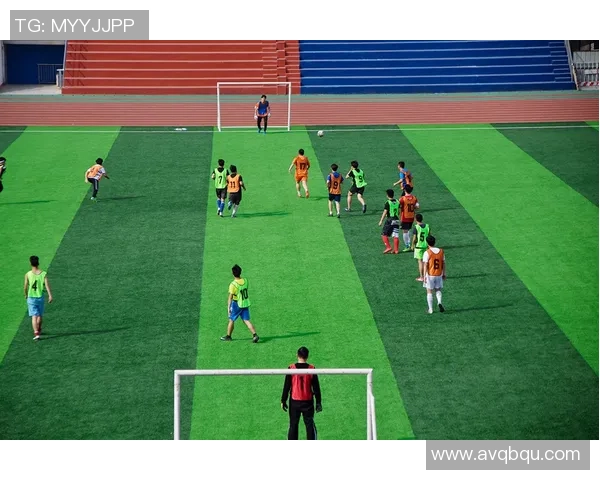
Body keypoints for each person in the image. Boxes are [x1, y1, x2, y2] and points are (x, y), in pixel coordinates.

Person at [281, 346, 322, 440]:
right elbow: (316, 387)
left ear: (297, 355)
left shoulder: (291, 368)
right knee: (310, 425)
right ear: (307, 356)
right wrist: (318, 402)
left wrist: (283, 400)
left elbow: (287, 386)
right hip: (308, 403)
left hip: (294, 402)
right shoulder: (312, 368)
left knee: (293, 425)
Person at [221, 264, 259, 342]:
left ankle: (228, 336)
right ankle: (255, 335)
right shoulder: (245, 280)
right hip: (245, 303)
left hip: (236, 304)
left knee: (231, 319)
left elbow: (230, 297)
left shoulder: (233, 284)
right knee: (246, 320)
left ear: (233, 273)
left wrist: (228, 308)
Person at [24, 255, 53, 340]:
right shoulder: (43, 274)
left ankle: (36, 332)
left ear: (30, 263)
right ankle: (39, 329)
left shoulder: (28, 274)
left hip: (31, 297)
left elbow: (25, 286)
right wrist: (50, 295)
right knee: (39, 315)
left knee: (34, 316)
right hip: (40, 297)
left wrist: (26, 294)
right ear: (38, 263)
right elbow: (47, 285)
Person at [422, 235, 446, 314]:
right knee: (438, 289)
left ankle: (430, 309)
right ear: (434, 242)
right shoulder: (441, 251)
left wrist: (424, 276)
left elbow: (425, 265)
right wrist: (444, 273)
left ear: (427, 243)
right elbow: (443, 263)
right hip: (439, 274)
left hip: (430, 274)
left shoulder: (427, 252)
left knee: (429, 291)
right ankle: (439, 302)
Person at [378, 189, 401, 254]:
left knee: (383, 234)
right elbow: (399, 211)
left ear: (387, 195)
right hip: (396, 219)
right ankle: (396, 250)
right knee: (395, 235)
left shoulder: (388, 202)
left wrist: (381, 221)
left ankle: (388, 247)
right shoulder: (397, 201)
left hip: (390, 220)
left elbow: (385, 212)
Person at [399, 184, 419, 252]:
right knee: (408, 230)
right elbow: (417, 207)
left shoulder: (402, 199)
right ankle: (412, 244)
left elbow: (399, 206)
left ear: (405, 190)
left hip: (405, 217)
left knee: (405, 231)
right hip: (412, 217)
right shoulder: (414, 198)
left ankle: (407, 246)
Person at [411, 213, 431, 281]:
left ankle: (422, 277)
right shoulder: (427, 226)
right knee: (426, 262)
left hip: (418, 247)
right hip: (426, 247)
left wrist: (412, 245)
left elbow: (414, 238)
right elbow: (429, 236)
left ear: (415, 219)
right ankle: (427, 276)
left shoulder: (416, 227)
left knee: (420, 262)